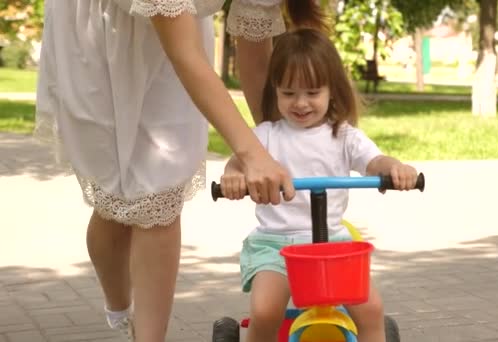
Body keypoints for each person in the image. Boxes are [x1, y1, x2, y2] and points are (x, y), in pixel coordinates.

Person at [34, 1, 327, 341]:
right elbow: (183, 52)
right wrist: (251, 155)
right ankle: (121, 308)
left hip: (180, 31)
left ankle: (147, 335)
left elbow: (256, 53)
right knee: (117, 201)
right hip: (102, 35)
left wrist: (280, 145)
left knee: (161, 189)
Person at [219, 28, 419, 342]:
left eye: (312, 92)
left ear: (331, 90)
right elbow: (238, 163)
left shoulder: (344, 135)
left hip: (333, 248)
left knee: (371, 310)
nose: (300, 103)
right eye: (289, 93)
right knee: (265, 311)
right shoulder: (266, 135)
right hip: (276, 247)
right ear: (275, 90)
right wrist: (233, 176)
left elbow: (375, 161)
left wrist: (395, 168)